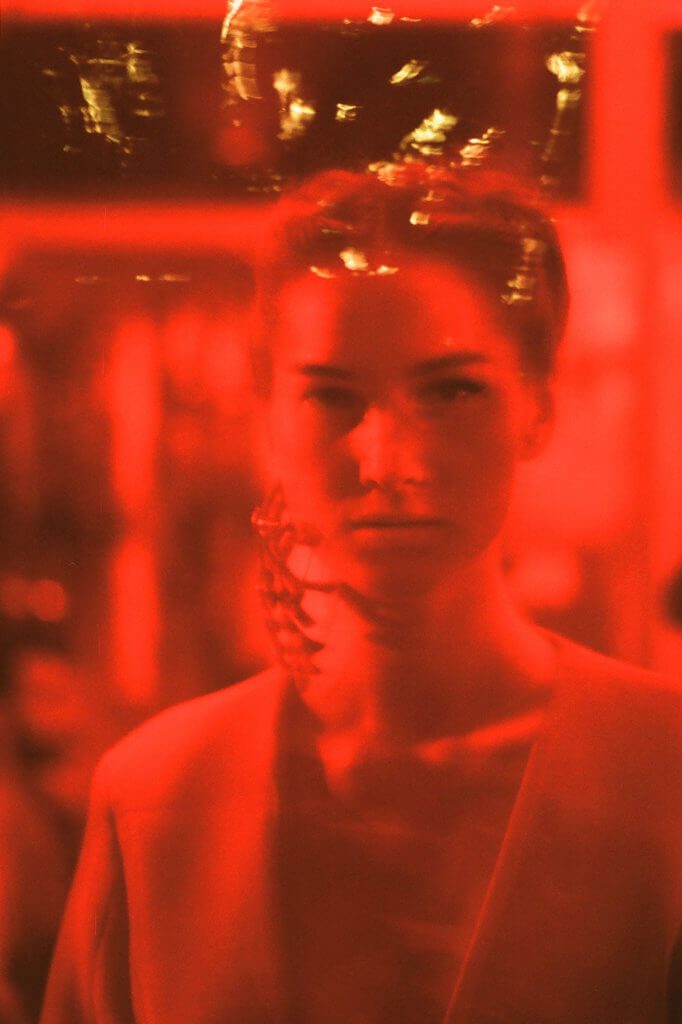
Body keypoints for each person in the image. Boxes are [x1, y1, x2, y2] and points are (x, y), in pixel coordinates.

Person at [41, 164, 682, 1023]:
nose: (386, 461)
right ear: (269, 414)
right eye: (331, 398)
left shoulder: (662, 775)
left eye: (450, 391)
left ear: (536, 405)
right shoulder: (158, 801)